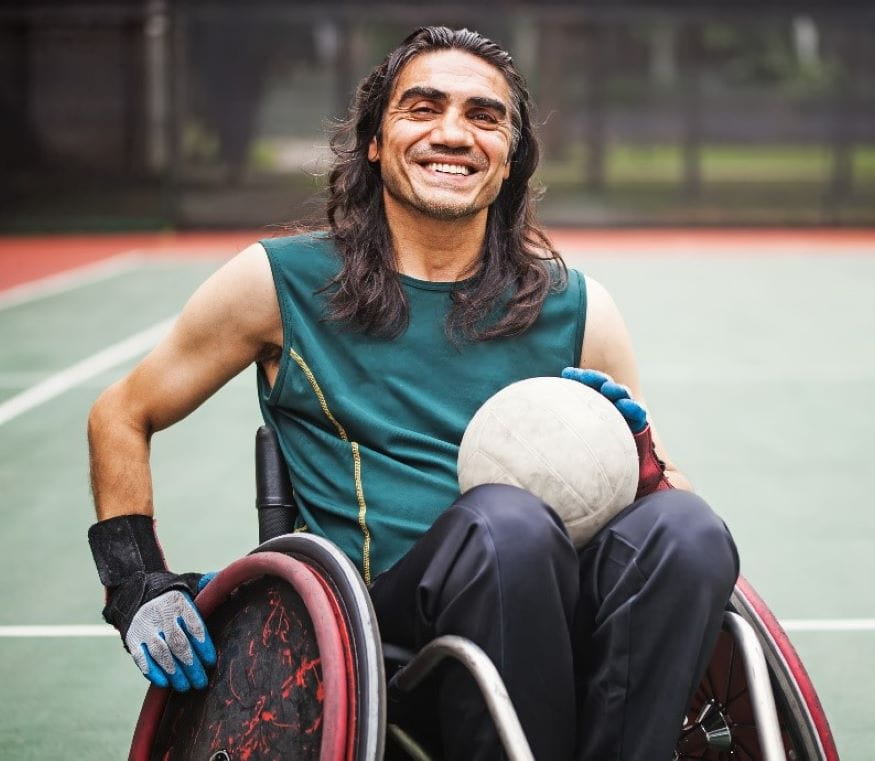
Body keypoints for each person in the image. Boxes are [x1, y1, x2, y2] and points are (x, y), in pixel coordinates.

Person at [86, 26, 738, 761]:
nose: (453, 134)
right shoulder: (280, 283)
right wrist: (135, 580)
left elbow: (656, 501)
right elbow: (122, 412)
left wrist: (645, 463)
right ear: (375, 140)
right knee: (507, 525)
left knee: (689, 530)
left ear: (511, 157)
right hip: (380, 630)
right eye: (422, 108)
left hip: (563, 620)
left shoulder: (578, 307)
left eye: (484, 116)